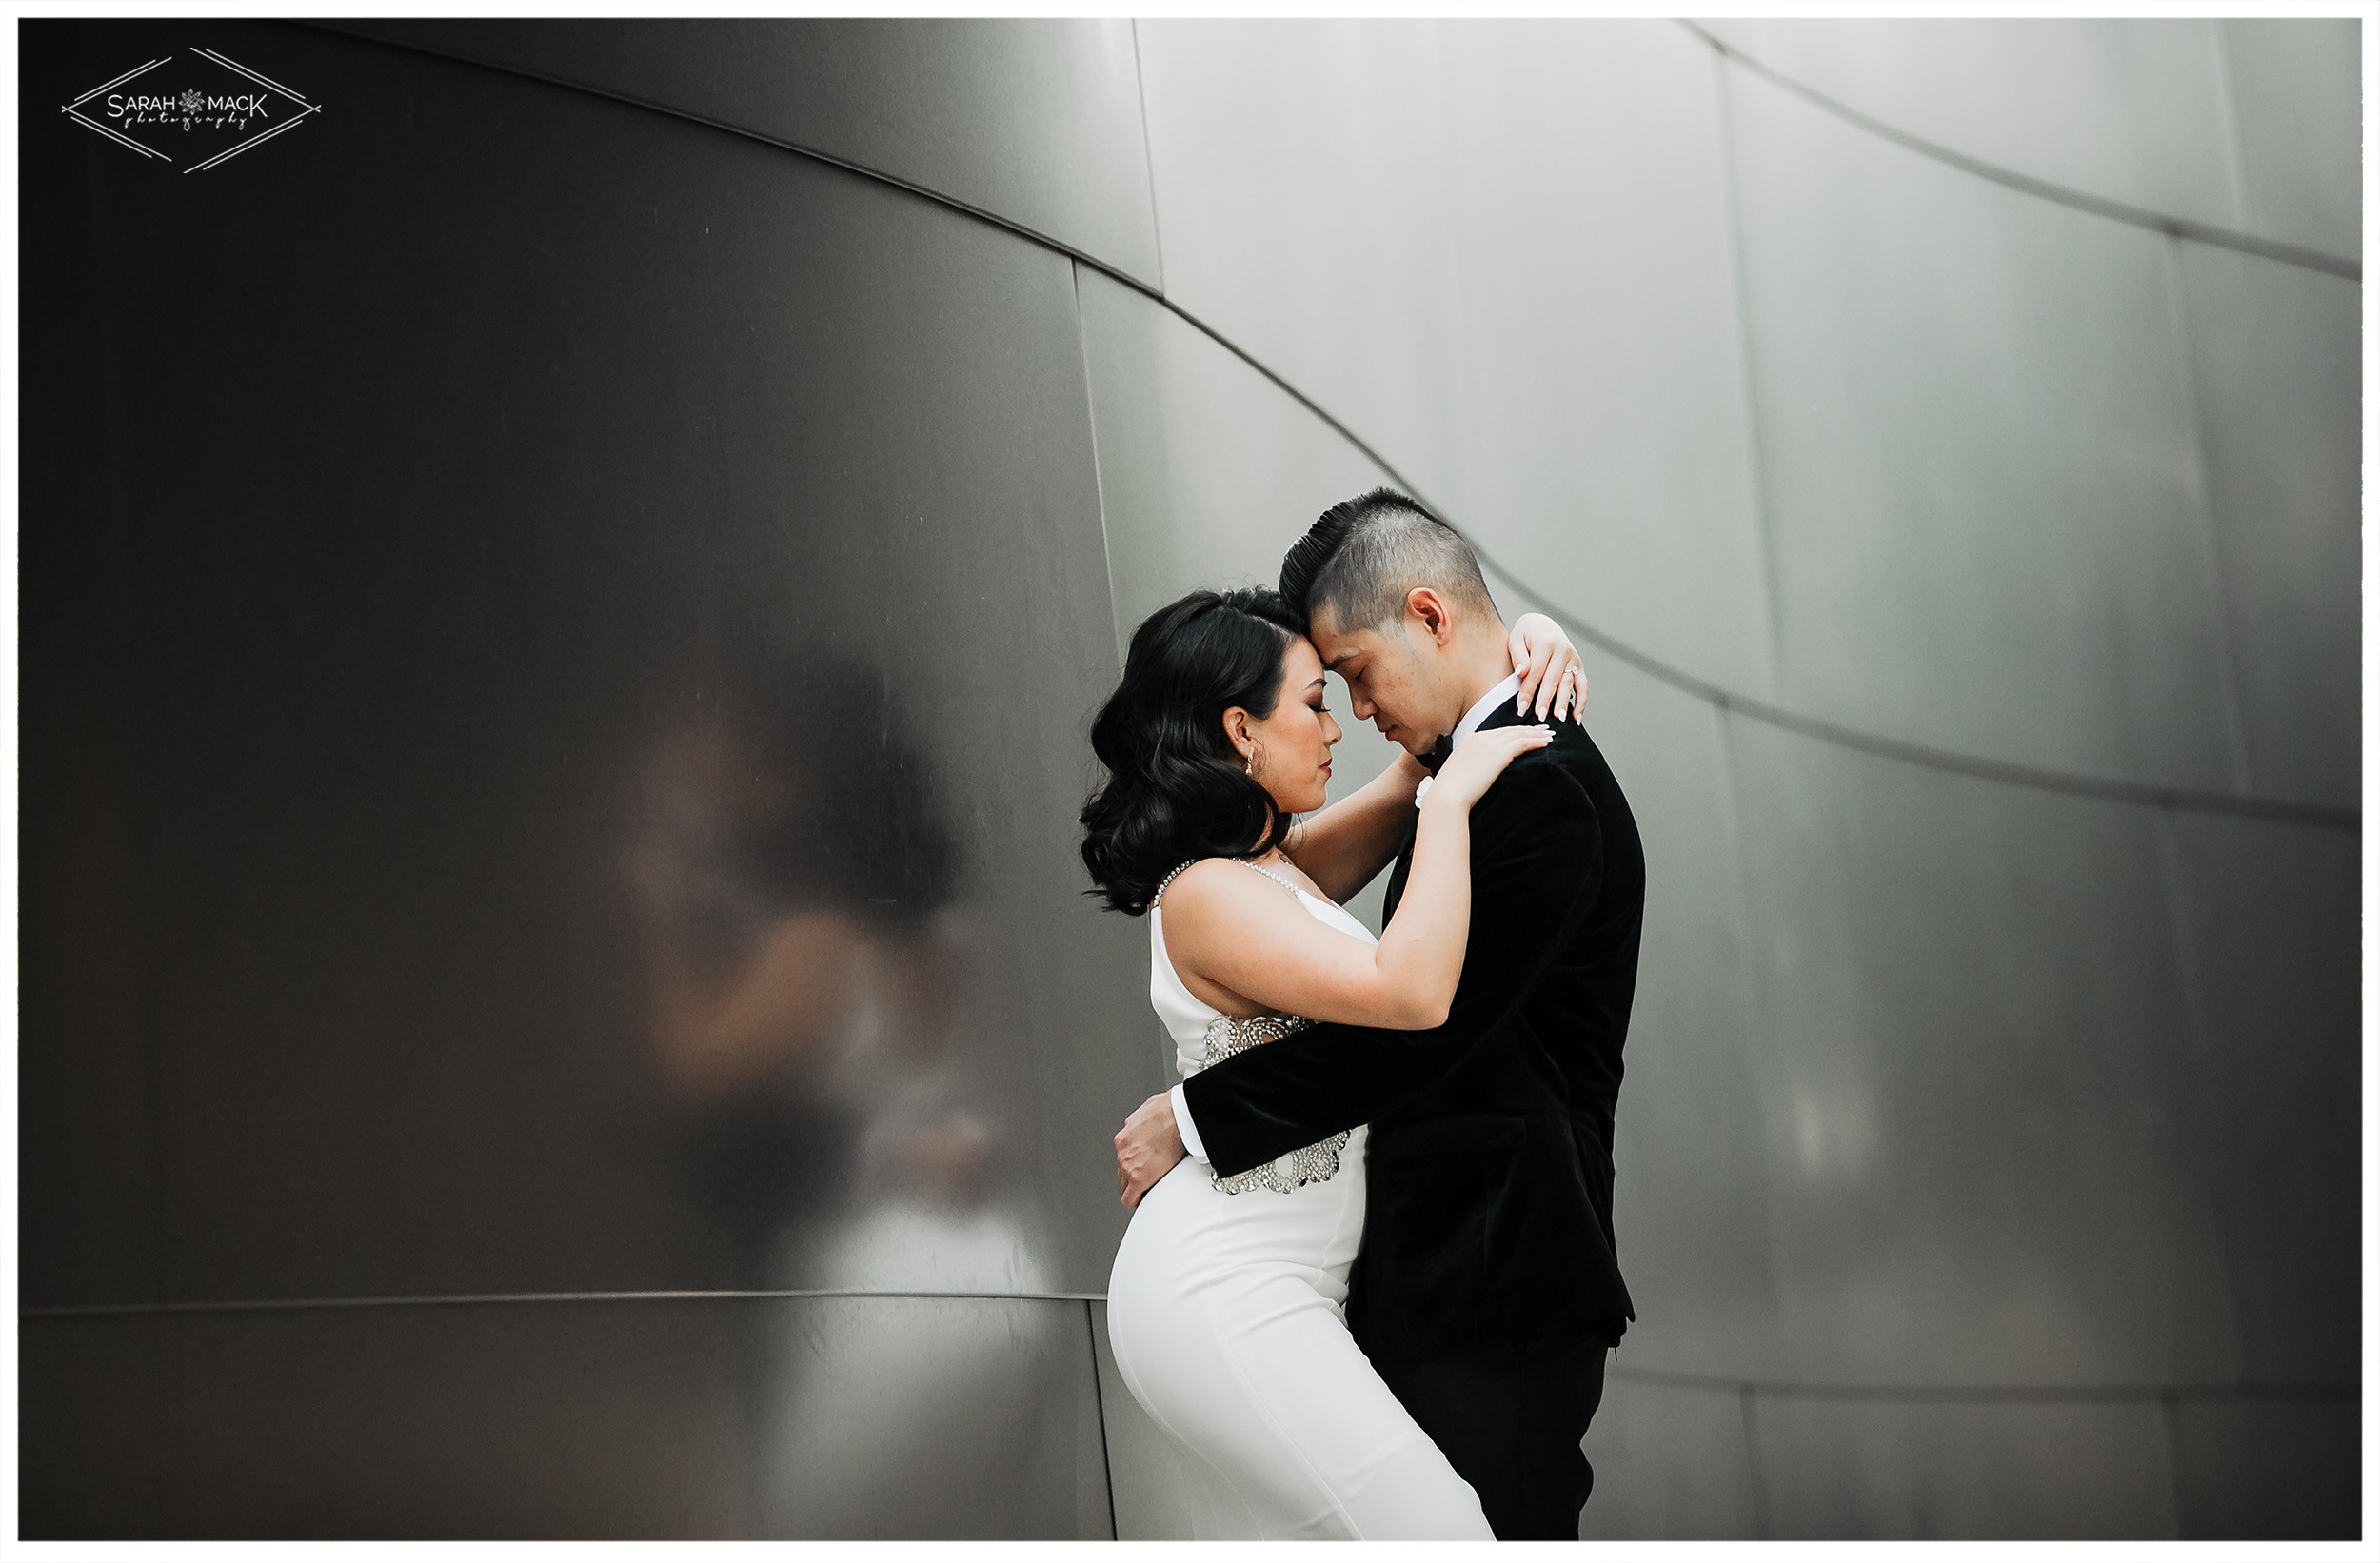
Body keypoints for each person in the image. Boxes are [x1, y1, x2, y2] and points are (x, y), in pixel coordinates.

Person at [1112, 488, 1644, 1540]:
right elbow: (1401, 950)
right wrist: (1498, 680)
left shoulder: (1533, 785)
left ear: (1433, 618)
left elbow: (1426, 1025)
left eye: (1349, 678)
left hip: (1493, 1269)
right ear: (1237, 733)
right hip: (1374, 1275)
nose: (1347, 717)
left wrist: (1195, 1115)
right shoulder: (1254, 871)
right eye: (1317, 696)